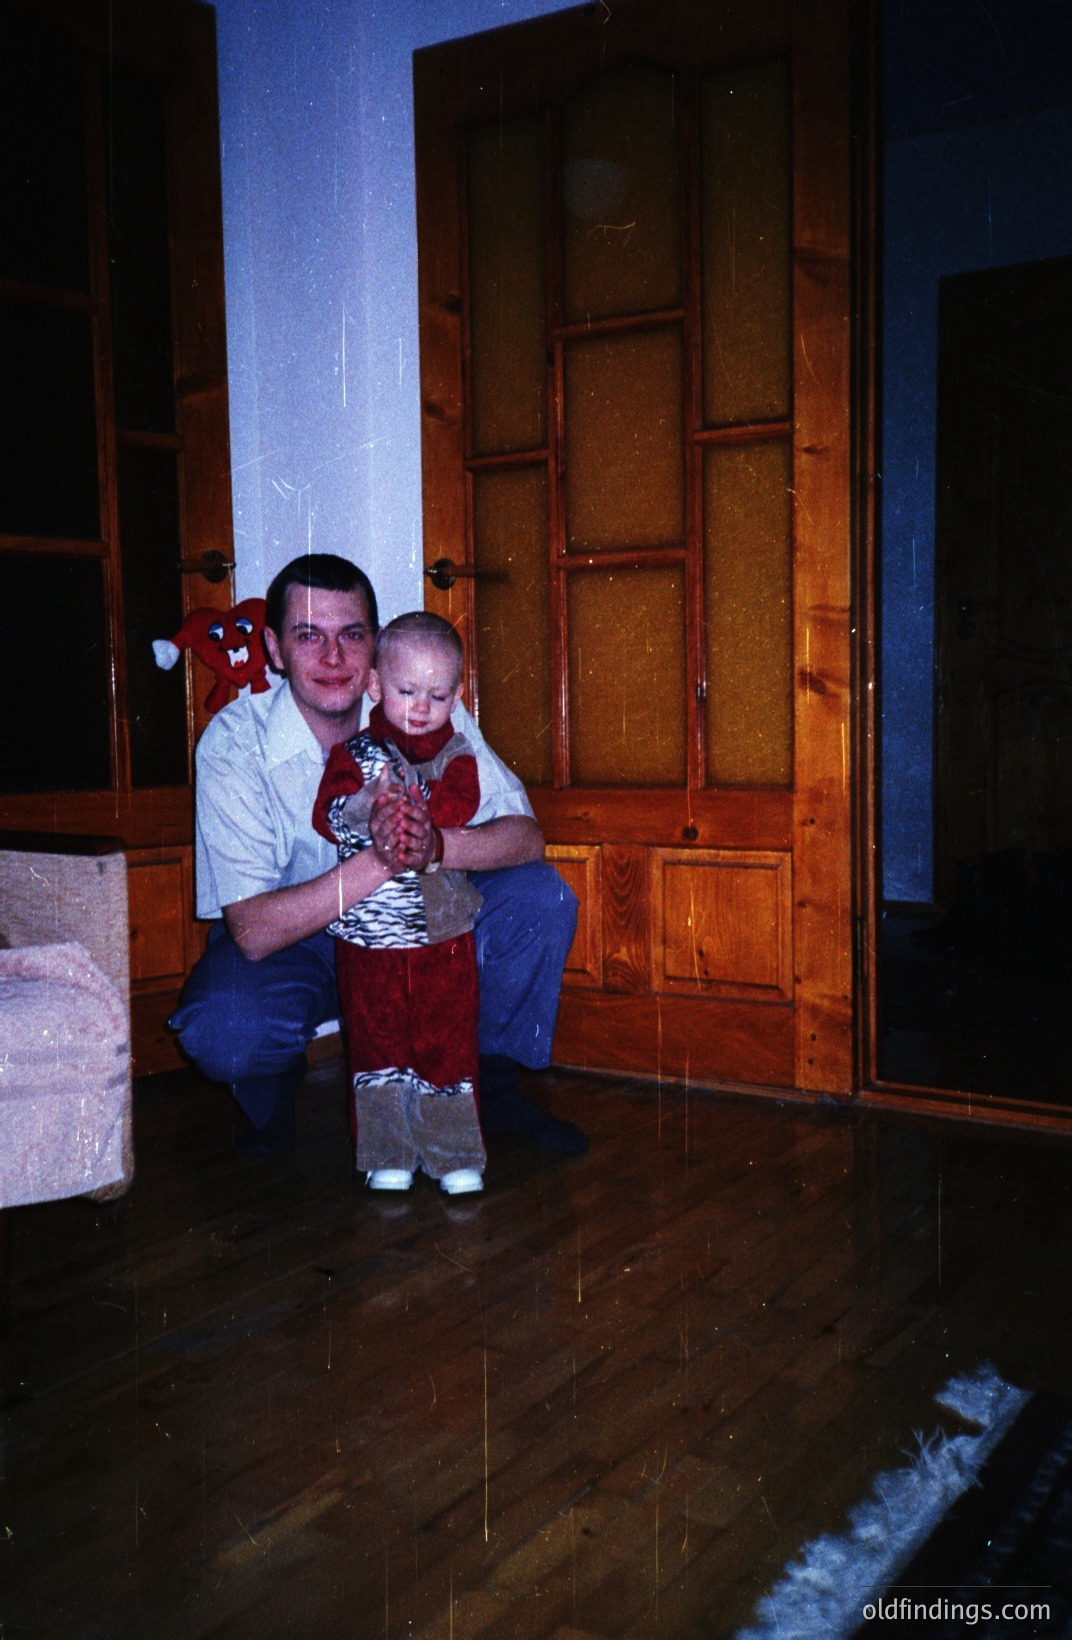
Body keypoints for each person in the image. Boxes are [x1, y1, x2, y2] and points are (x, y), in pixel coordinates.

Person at [170, 553, 586, 1159]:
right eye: (309, 635)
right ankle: (271, 1099)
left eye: (352, 635)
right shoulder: (234, 743)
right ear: (275, 648)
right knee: (223, 1027)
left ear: (375, 651)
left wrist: (435, 844)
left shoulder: (421, 703)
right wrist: (385, 859)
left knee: (539, 896)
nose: (333, 658)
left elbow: (526, 837)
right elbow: (255, 931)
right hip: (301, 943)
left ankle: (490, 1088)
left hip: (423, 926)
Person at [312, 612, 486, 1194]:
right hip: (369, 938)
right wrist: (371, 807)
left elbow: (459, 803)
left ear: (456, 697)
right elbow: (329, 813)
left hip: (442, 937)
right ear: (377, 687)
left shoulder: (457, 752)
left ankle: (454, 1152)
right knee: (376, 1043)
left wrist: (419, 814)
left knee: (446, 1041)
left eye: (438, 695)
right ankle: (388, 1151)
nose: (421, 706)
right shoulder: (355, 754)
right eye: (407, 691)